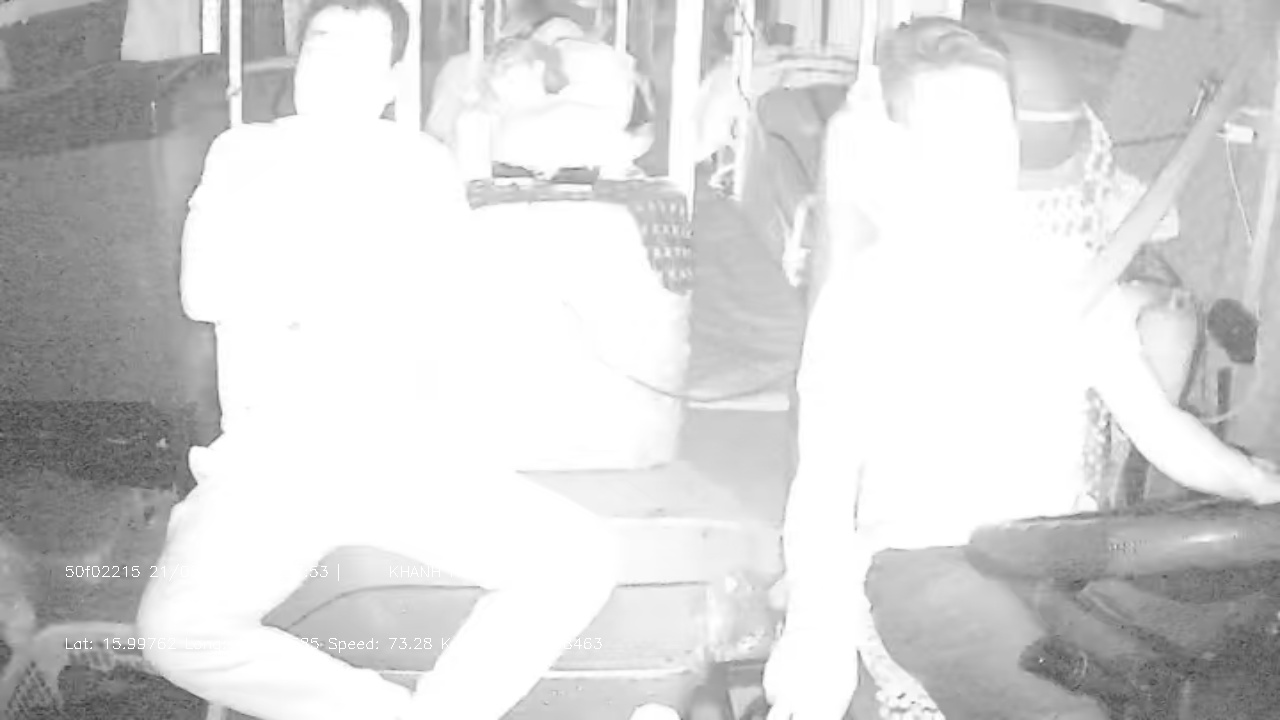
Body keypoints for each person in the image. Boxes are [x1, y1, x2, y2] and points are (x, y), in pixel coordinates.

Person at [764, 17, 1280, 720]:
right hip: (929, 569)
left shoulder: (1067, 276)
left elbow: (1160, 430)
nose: (981, 149)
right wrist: (813, 646)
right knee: (1069, 711)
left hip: (1057, 556)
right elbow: (822, 489)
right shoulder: (865, 298)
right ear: (907, 146)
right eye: (952, 126)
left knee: (1237, 666)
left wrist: (1255, 483)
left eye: (993, 123)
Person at [135, 4, 620, 720]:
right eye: (322, 43)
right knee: (175, 633)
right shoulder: (245, 152)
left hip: (397, 451)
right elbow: (205, 290)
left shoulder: (419, 163)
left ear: (390, 80)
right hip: (277, 460)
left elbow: (445, 306)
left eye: (359, 52)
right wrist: (359, 283)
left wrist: (305, 290)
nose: (332, 62)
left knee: (580, 557)